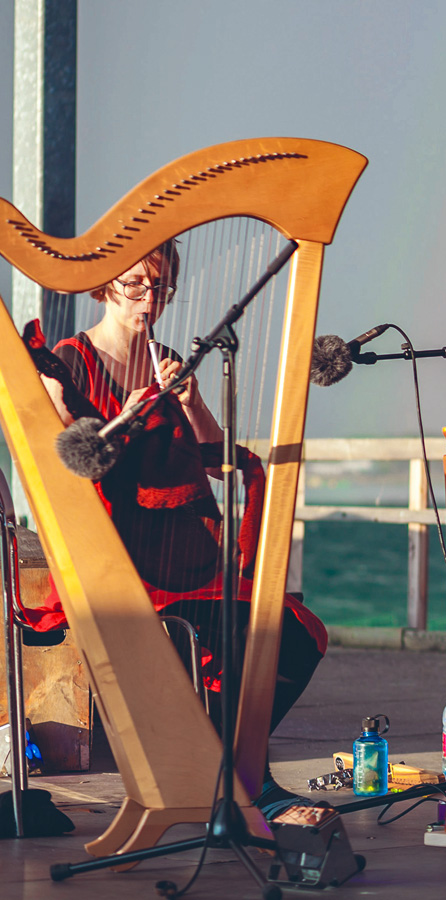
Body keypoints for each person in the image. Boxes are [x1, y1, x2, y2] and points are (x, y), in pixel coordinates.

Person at [28, 241, 325, 814]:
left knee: (291, 633)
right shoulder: (68, 360)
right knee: (235, 638)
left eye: (160, 287)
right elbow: (69, 461)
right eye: (136, 284)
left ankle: (225, 772)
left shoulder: (167, 356)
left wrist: (189, 401)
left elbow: (217, 457)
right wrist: (126, 417)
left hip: (187, 548)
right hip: (121, 555)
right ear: (106, 284)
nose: (149, 299)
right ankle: (240, 782)